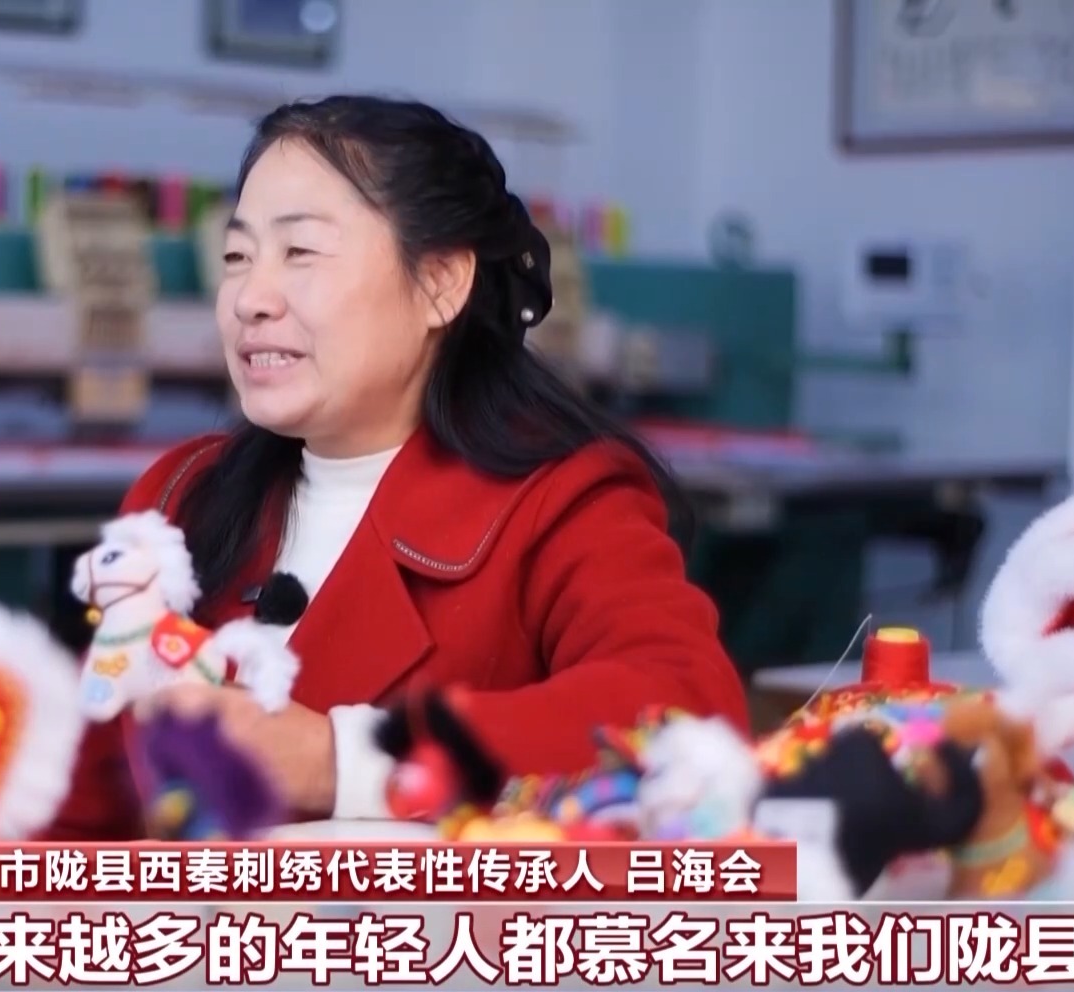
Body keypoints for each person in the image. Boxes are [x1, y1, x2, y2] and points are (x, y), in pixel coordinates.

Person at [48, 95, 746, 839]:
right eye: (237, 258)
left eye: (301, 253)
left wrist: (348, 760)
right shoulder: (181, 498)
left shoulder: (561, 502)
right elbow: (81, 808)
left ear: (441, 282)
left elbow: (685, 716)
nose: (250, 299)